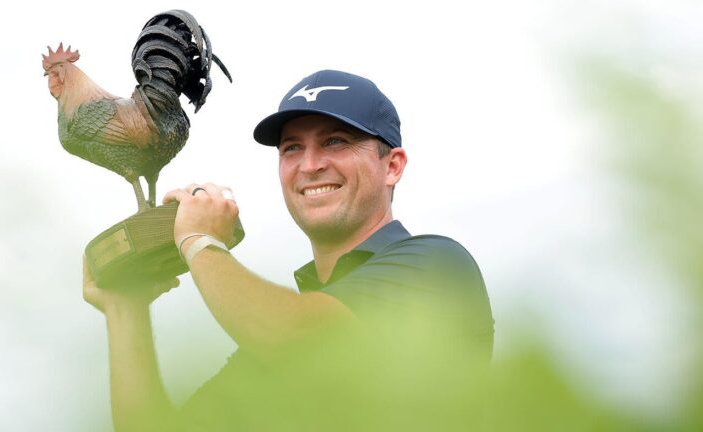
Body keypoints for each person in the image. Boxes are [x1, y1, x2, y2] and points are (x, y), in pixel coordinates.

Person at [83, 70, 494, 432]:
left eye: (335, 141)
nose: (310, 164)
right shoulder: (268, 334)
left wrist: (198, 240)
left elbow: (304, 342)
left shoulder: (438, 265)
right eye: (292, 148)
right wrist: (125, 307)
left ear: (392, 166)